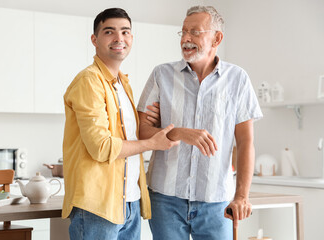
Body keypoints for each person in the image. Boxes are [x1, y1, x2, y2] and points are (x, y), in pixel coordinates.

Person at [137, 5, 263, 240]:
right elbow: (143, 133)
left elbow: (246, 142)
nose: (186, 38)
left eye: (195, 32)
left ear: (217, 38)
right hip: (166, 198)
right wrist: (179, 133)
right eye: (183, 32)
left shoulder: (238, 79)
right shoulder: (161, 75)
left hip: (216, 201)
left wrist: (242, 196)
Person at [61, 8, 179, 240]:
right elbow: (101, 147)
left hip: (129, 202)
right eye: (109, 32)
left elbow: (125, 136)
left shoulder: (122, 84)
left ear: (131, 39)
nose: (119, 38)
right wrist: (151, 143)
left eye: (125, 32)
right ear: (94, 40)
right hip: (98, 206)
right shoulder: (89, 81)